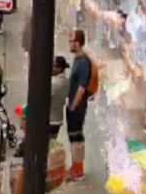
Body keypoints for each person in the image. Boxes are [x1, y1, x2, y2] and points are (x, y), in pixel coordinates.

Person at [67, 29, 94, 181]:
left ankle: (78, 169)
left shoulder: (83, 62)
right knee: (73, 136)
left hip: (77, 107)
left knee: (76, 136)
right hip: (73, 105)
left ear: (78, 43)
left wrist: (73, 105)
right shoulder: (78, 60)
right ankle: (75, 165)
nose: (70, 44)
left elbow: (82, 86)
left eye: (72, 41)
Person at [50, 55, 69, 138]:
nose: (51, 68)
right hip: (58, 119)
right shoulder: (66, 81)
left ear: (60, 68)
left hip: (51, 120)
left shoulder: (54, 83)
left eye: (53, 66)